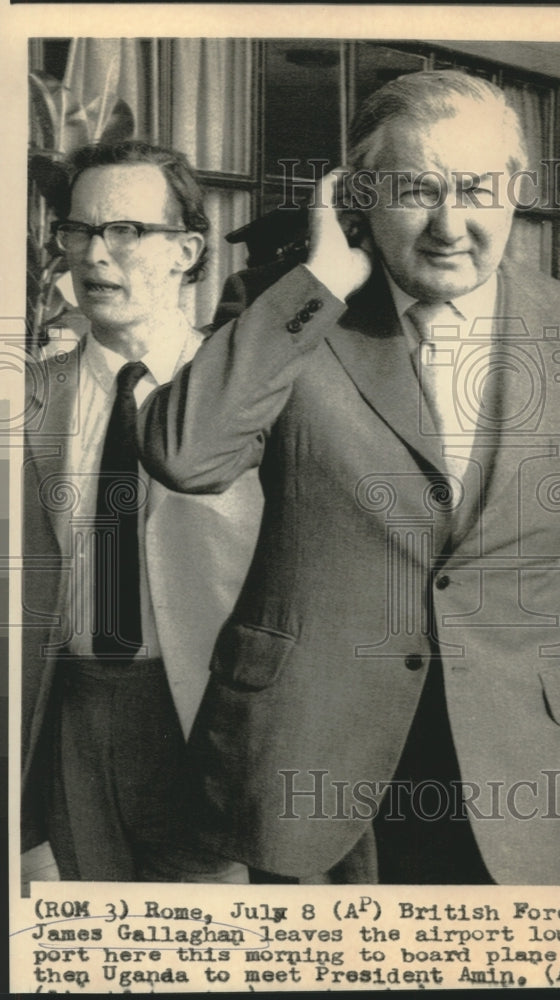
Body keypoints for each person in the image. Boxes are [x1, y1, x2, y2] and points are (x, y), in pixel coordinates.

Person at [139, 72, 560, 885]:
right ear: (356, 196)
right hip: (307, 760)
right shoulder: (289, 308)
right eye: (415, 190)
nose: (449, 225)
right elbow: (187, 454)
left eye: (475, 189)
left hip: (506, 772)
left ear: (518, 190)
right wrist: (321, 281)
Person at [22, 140, 261, 881]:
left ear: (187, 250)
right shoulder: (29, 397)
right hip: (75, 711)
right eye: (79, 231)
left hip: (208, 719)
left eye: (124, 231)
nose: (95, 256)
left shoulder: (248, 393)